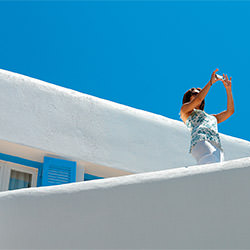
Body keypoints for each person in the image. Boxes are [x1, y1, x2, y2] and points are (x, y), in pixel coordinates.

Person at [180, 68, 234, 165]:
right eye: (194, 94)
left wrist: (228, 89)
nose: (197, 95)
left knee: (216, 169)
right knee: (209, 163)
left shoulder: (211, 117)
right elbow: (198, 100)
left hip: (216, 143)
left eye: (198, 93)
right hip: (201, 139)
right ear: (189, 97)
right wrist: (210, 83)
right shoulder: (185, 111)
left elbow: (230, 111)